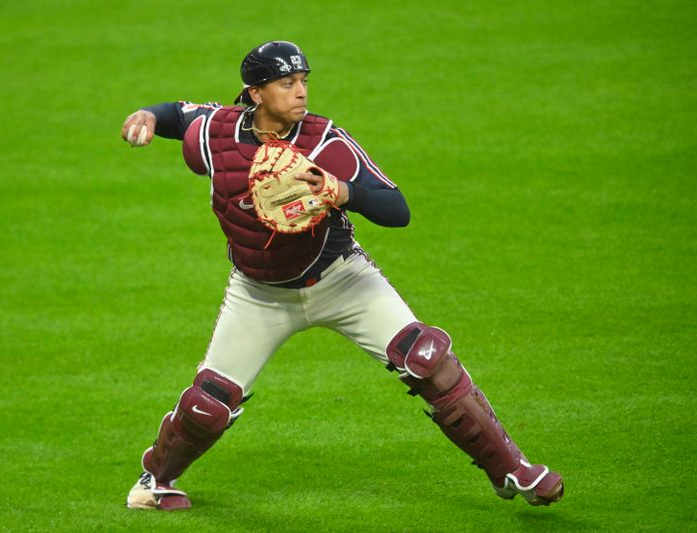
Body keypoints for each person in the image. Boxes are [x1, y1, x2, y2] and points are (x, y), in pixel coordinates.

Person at [121, 41, 564, 511]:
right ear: (255, 93)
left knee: (426, 357)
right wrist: (146, 116)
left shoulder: (326, 141)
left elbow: (398, 211)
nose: (301, 93)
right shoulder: (215, 132)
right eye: (287, 83)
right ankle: (155, 481)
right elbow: (174, 114)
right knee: (210, 402)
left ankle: (513, 471)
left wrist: (342, 190)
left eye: (304, 81)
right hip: (258, 293)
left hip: (341, 280)